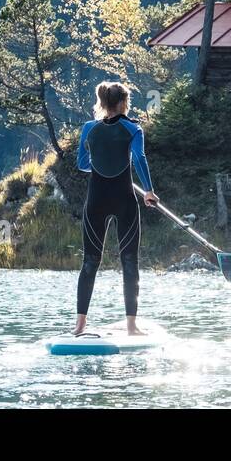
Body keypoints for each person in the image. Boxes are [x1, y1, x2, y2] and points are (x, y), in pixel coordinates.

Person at [73, 81, 158, 337]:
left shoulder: (89, 128)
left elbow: (82, 164)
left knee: (90, 262)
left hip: (96, 200)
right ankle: (132, 327)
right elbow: (140, 160)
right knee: (129, 261)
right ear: (123, 103)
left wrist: (102, 164)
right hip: (125, 200)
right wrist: (149, 191)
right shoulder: (133, 129)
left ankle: (79, 326)